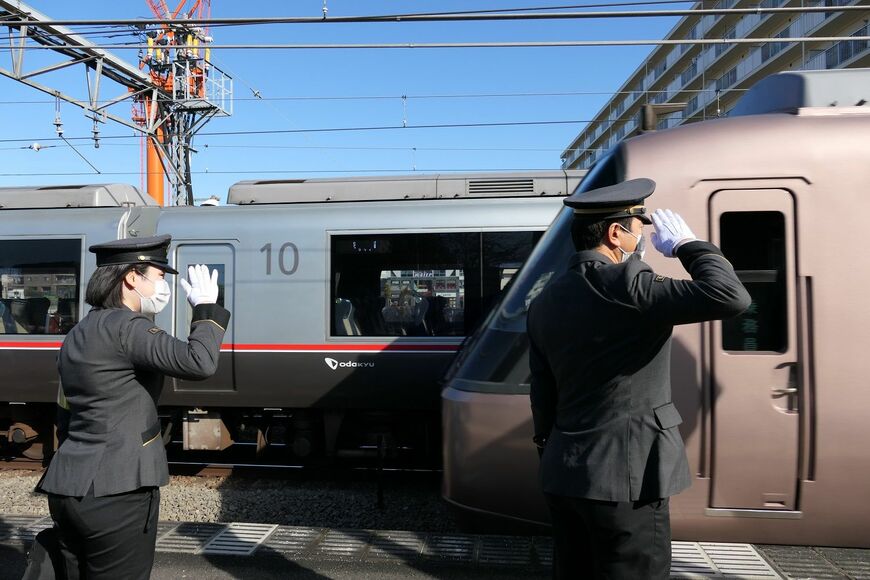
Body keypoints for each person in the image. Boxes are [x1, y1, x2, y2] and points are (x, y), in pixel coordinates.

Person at [526, 178, 751, 579]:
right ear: (617, 233)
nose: (644, 239)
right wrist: (687, 246)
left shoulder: (544, 299)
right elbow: (730, 296)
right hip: (627, 480)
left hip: (563, 474)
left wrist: (552, 449)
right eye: (640, 229)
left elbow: (542, 392)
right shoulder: (629, 284)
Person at [34, 234, 230, 580]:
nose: (162, 286)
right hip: (118, 493)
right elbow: (199, 362)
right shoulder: (128, 327)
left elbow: (65, 413)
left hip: (67, 488)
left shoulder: (79, 333)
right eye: (157, 276)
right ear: (131, 278)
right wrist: (205, 308)